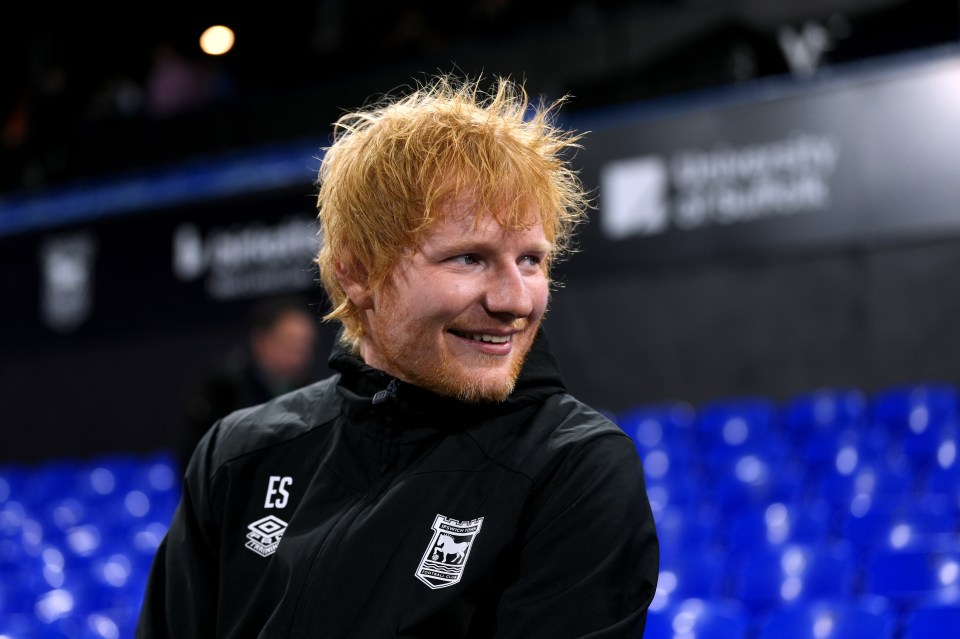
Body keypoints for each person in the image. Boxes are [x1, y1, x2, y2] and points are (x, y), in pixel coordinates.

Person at [138, 73, 659, 638]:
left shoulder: (577, 469)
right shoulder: (237, 456)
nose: (515, 300)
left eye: (531, 260)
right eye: (468, 258)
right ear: (358, 273)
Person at [177, 296, 319, 471]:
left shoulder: (313, 392)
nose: (298, 359)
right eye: (290, 345)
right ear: (262, 341)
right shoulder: (224, 388)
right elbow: (196, 460)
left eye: (304, 348)